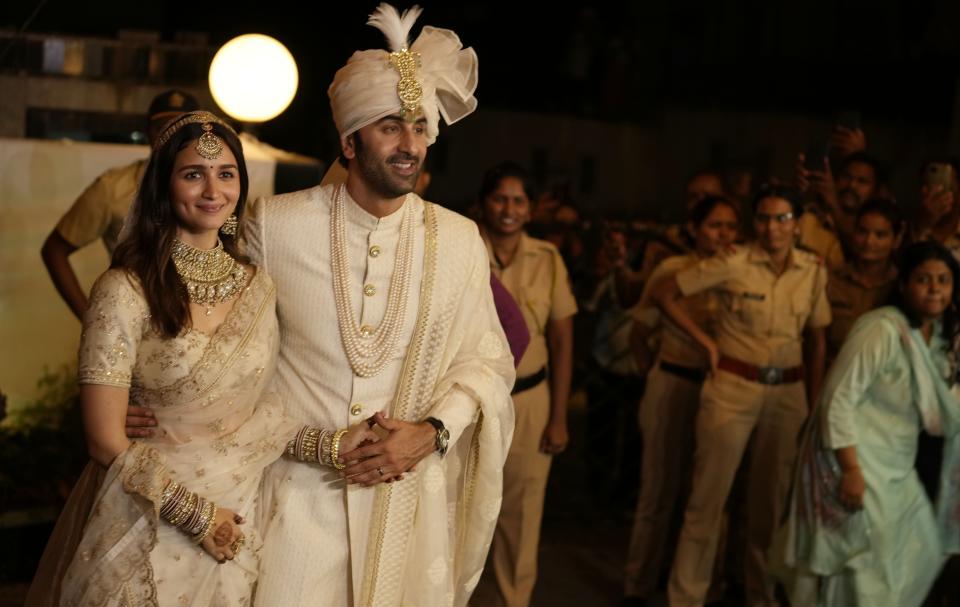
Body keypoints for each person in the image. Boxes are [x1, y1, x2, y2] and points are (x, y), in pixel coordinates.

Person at [178, 6, 509, 606]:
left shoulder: (461, 239)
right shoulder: (274, 227)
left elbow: (486, 362)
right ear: (348, 141)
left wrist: (433, 433)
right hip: (296, 504)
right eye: (389, 126)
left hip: (410, 500)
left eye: (419, 126)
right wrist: (151, 400)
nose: (410, 144)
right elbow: (215, 350)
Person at [26, 111, 380, 605]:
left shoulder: (259, 286)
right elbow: (105, 441)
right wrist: (197, 516)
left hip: (237, 523)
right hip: (149, 518)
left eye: (226, 174)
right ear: (163, 187)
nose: (213, 190)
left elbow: (257, 419)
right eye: (194, 174)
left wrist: (335, 446)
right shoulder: (123, 288)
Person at [652, 184, 831, 607]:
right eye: (766, 218)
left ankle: (760, 596)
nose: (774, 228)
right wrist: (706, 344)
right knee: (707, 502)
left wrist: (814, 398)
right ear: (756, 223)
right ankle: (686, 598)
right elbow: (665, 295)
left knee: (769, 506)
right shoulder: (733, 262)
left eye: (783, 218)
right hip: (734, 388)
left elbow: (818, 338)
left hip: (788, 391)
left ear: (797, 223)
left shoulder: (812, 269)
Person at [779, 241, 960, 606]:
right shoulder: (880, 329)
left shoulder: (935, 339)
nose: (935, 288)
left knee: (921, 552)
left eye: (943, 280)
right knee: (864, 572)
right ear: (904, 284)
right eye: (923, 279)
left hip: (897, 467)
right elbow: (837, 399)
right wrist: (850, 469)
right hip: (858, 461)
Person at [623, 195, 739, 604]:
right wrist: (651, 379)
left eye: (729, 226)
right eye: (713, 225)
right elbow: (639, 333)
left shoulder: (737, 273)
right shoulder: (674, 271)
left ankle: (705, 586)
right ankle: (638, 585)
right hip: (673, 380)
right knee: (658, 488)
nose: (722, 235)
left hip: (722, 389)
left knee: (708, 495)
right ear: (694, 229)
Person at [471, 161, 577, 607]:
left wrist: (558, 417)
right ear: (485, 204)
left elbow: (562, 340)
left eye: (518, 200)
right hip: (473, 401)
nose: (508, 209)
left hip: (531, 400)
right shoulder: (465, 247)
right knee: (467, 507)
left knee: (522, 514)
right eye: (500, 198)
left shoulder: (547, 260)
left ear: (531, 210)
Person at [40, 89, 200, 320]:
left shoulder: (215, 191)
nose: (171, 138)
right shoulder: (112, 187)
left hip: (202, 323)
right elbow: (55, 249)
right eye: (163, 128)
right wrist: (92, 319)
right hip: (133, 321)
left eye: (182, 130)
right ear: (148, 132)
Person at [825, 198, 903, 363]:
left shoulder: (903, 287)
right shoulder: (831, 281)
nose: (869, 241)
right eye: (862, 232)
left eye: (880, 235)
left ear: (896, 240)